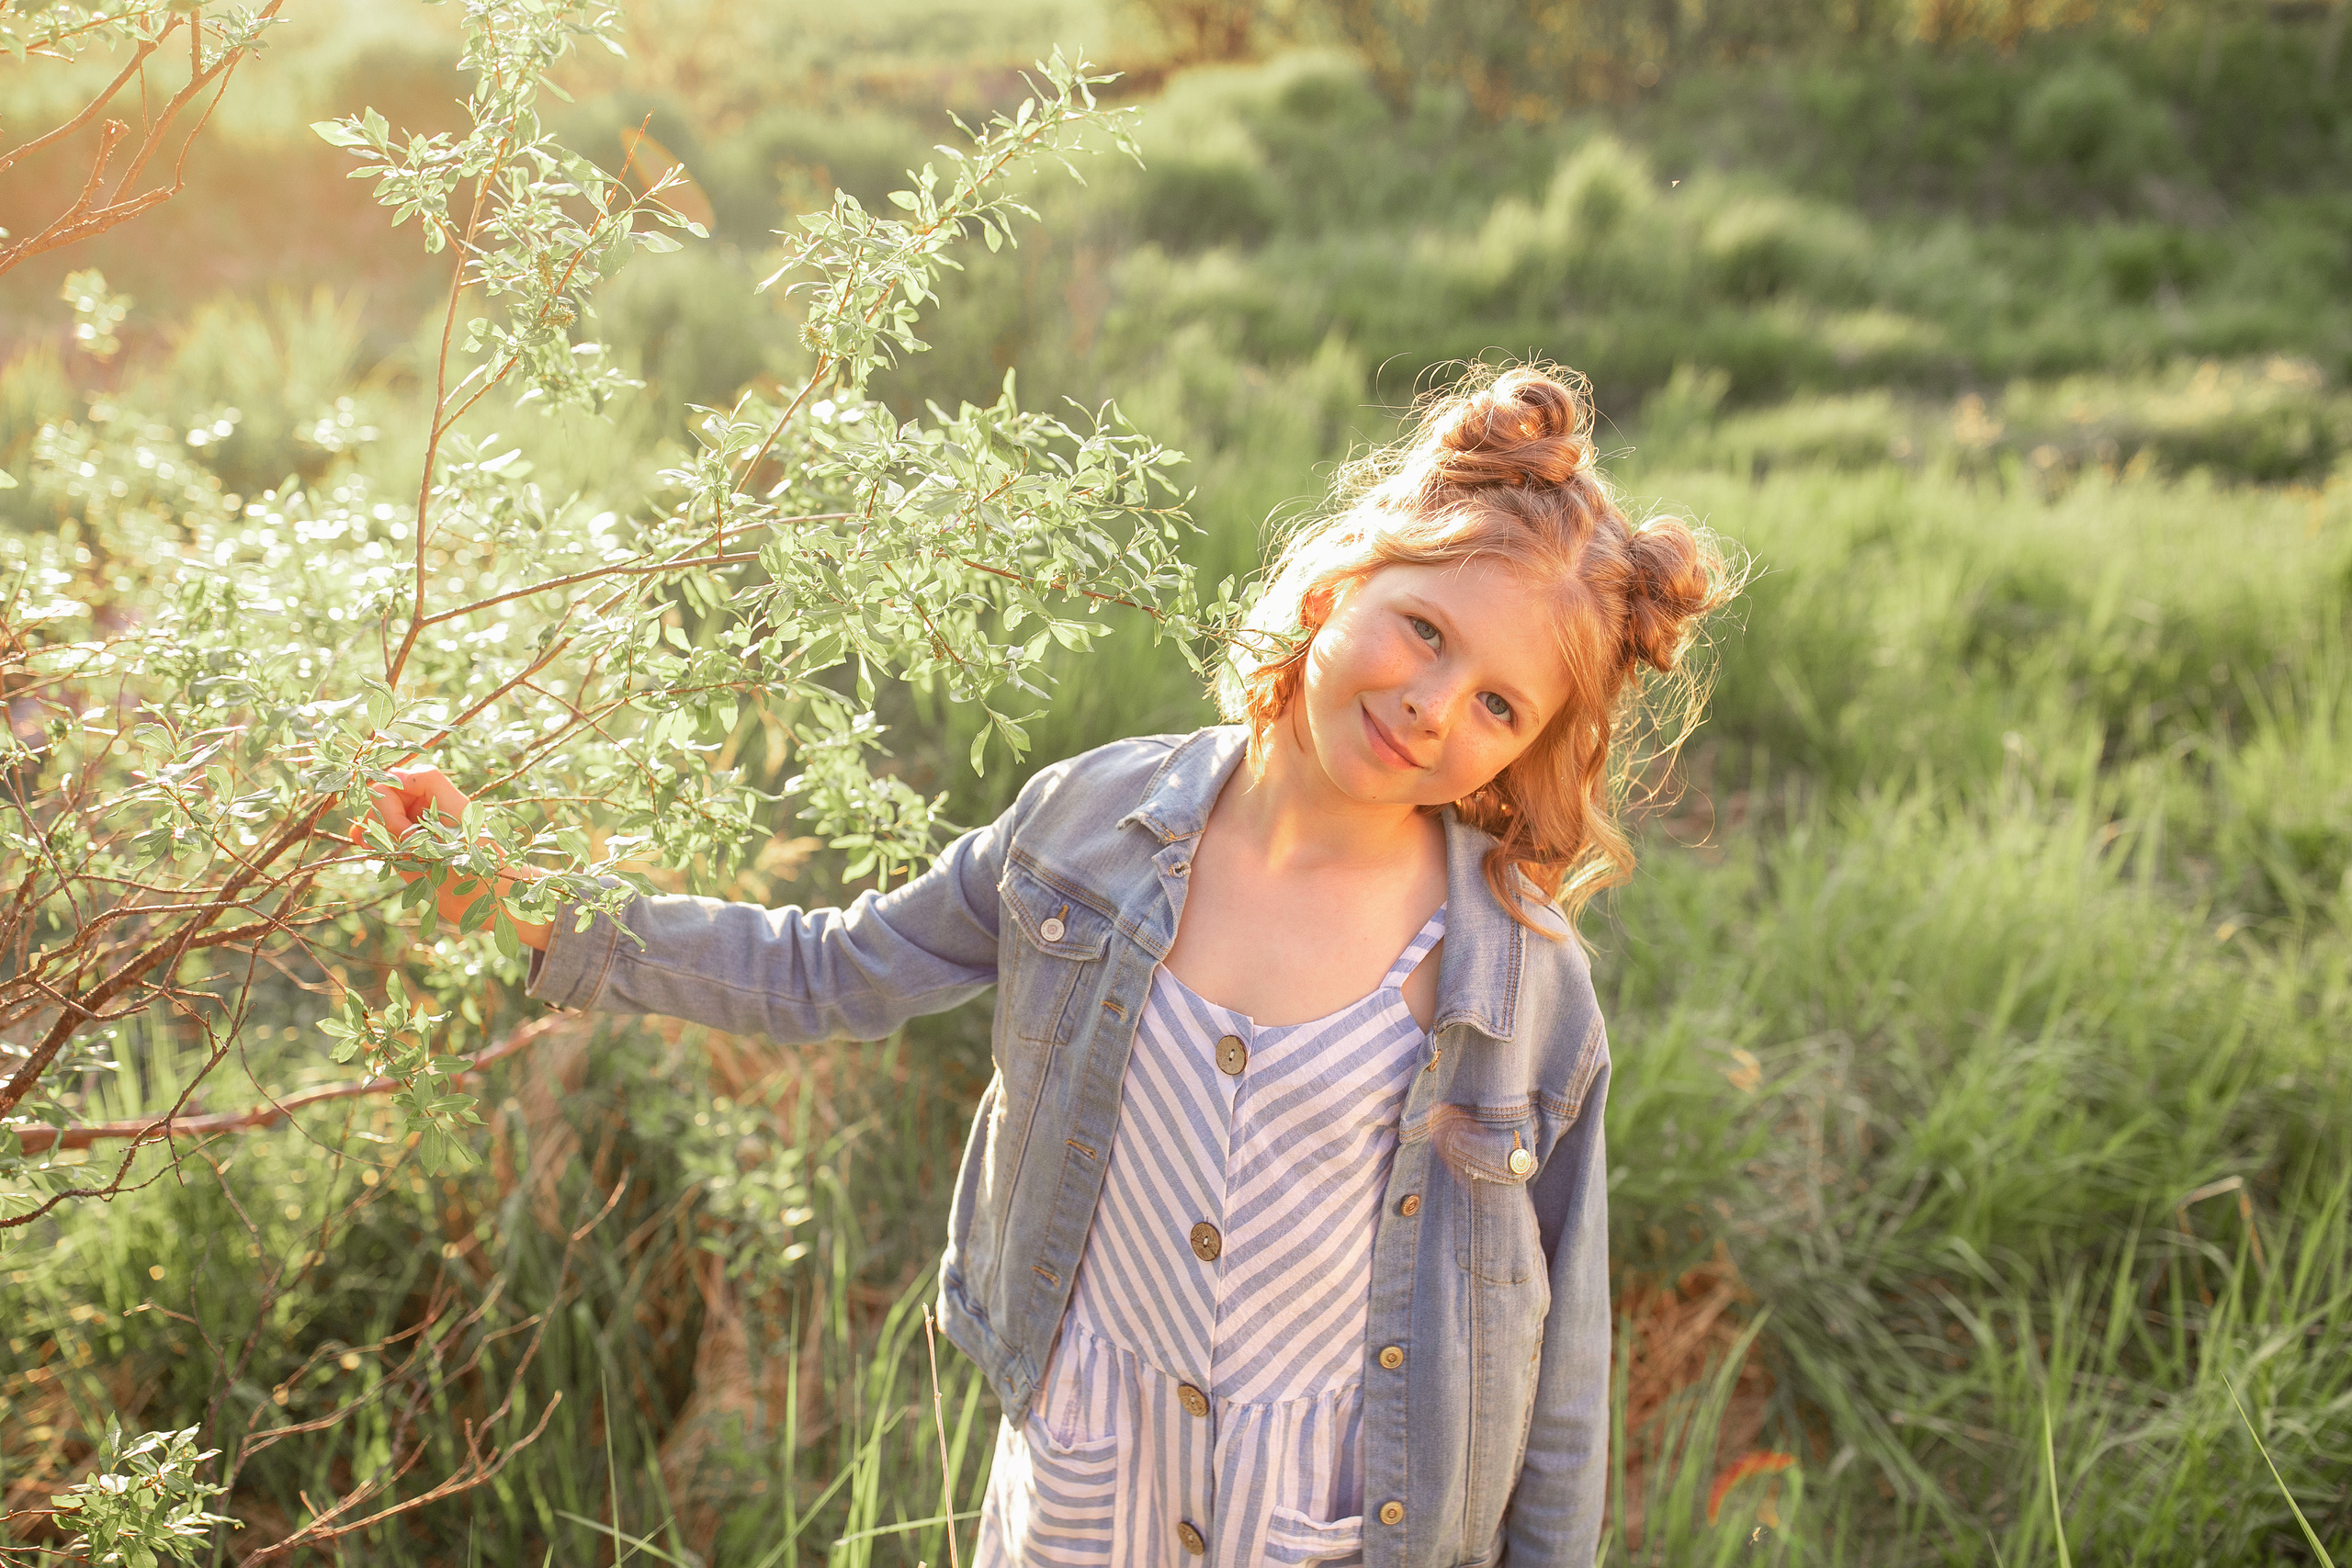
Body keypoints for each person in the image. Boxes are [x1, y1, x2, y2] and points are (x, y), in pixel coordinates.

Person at [369, 363, 1730, 1566]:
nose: (1433, 701)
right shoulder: (1088, 833)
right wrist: (539, 905)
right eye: (1424, 629)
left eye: (1497, 701)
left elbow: (1558, 1358)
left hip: (1336, 1515)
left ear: (1524, 749)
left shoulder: (1514, 982)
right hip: (1088, 1483)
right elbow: (831, 971)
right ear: (1338, 584)